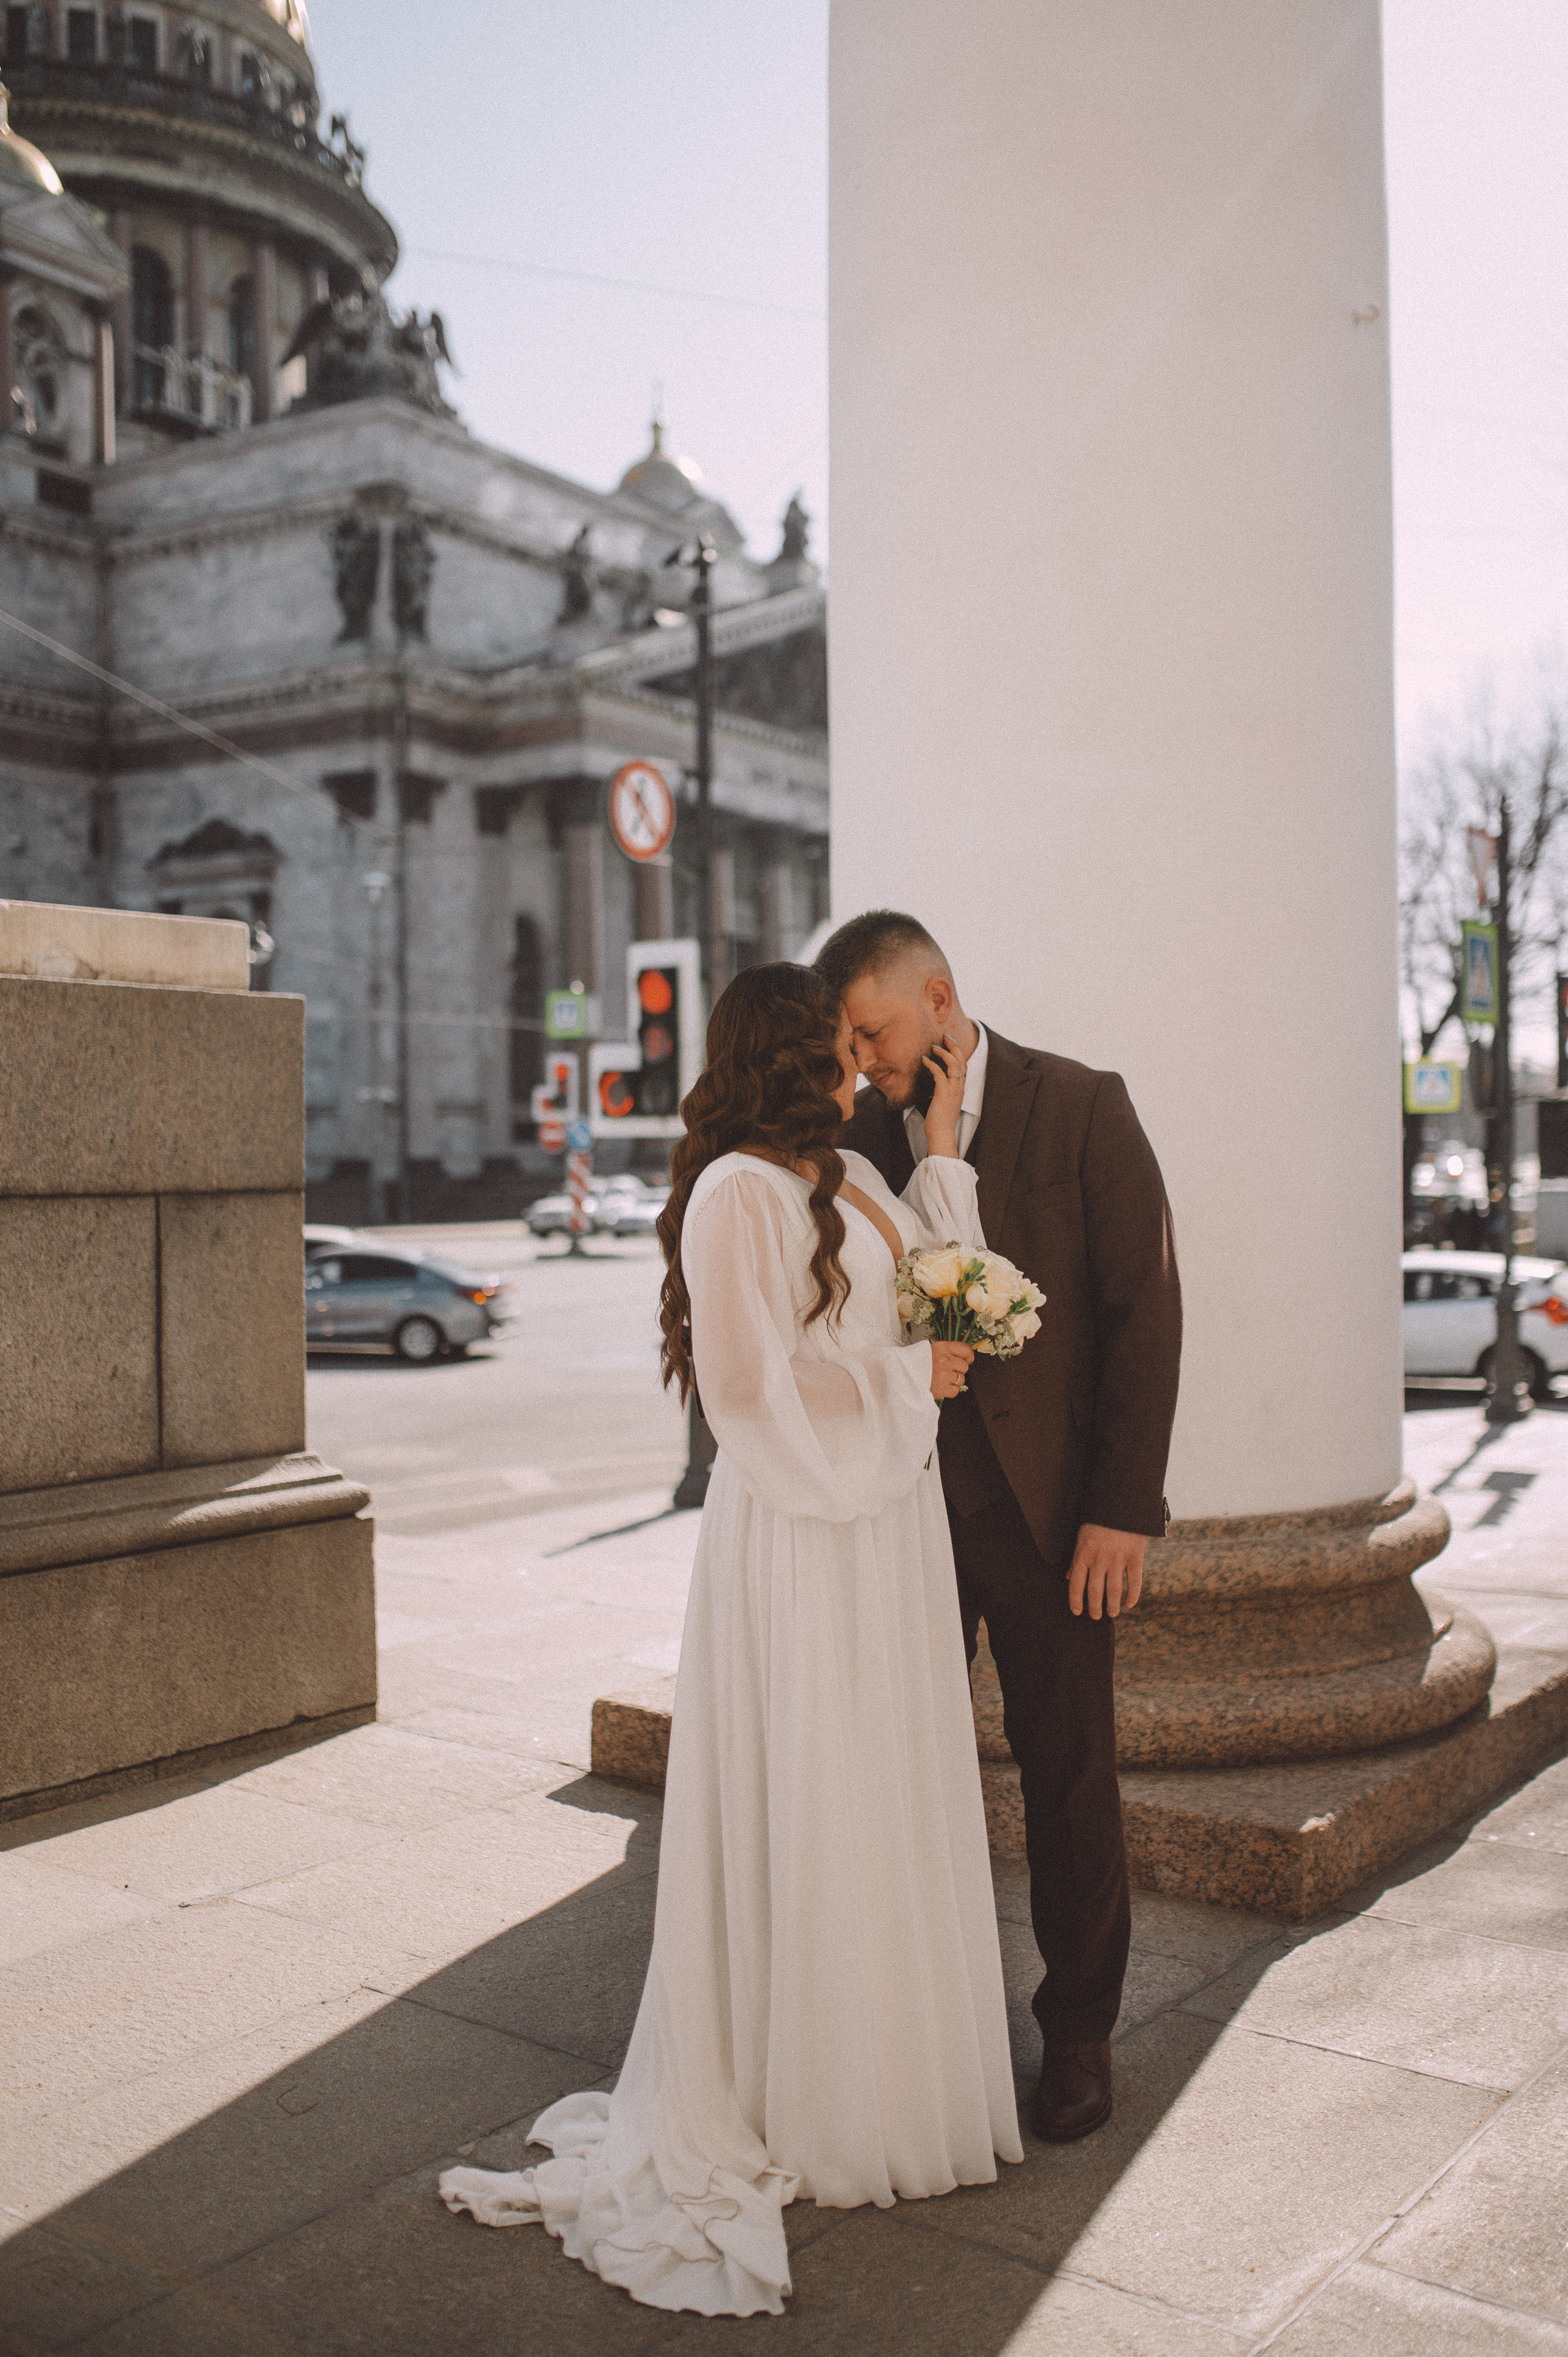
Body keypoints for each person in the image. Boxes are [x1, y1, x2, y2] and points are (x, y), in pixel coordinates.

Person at [439, 961, 1022, 2317]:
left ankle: (885, 2071)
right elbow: (744, 1385)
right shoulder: (735, 1191)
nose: (854, 1064)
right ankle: (797, 2086)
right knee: (811, 1785)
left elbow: (946, 1282)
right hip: (807, 1535)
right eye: (835, 1045)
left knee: (882, 1789)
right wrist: (902, 1376)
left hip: (886, 1523)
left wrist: (938, 1155)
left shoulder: (856, 1175)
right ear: (781, 1055)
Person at [817, 910, 1182, 2144]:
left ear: (936, 996)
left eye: (870, 1029)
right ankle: (920, 2033)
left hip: (1048, 1525)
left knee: (1068, 1776)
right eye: (849, 1041)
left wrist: (1120, 1511)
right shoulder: (854, 1139)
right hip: (898, 1513)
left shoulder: (1081, 1105)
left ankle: (1077, 2034)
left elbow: (1143, 1314)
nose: (860, 1056)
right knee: (899, 1775)